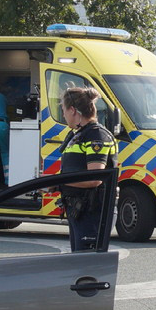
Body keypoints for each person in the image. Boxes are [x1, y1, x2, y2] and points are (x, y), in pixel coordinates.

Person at [55, 86, 116, 252]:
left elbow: (94, 178)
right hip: (79, 210)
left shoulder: (96, 135)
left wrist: (60, 183)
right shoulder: (79, 134)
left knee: (88, 265)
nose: (63, 114)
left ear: (73, 110)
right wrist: (55, 183)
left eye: (63, 109)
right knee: (79, 263)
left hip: (92, 211)